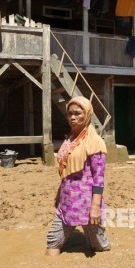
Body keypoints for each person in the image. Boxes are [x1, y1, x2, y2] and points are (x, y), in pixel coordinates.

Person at [46, 96, 111, 256]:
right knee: (52, 244)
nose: (73, 117)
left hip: (87, 206)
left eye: (78, 113)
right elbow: (67, 171)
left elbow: (99, 178)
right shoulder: (70, 140)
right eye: (69, 114)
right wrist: (59, 193)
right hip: (67, 204)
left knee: (99, 247)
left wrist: (95, 208)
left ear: (87, 114)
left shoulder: (95, 142)